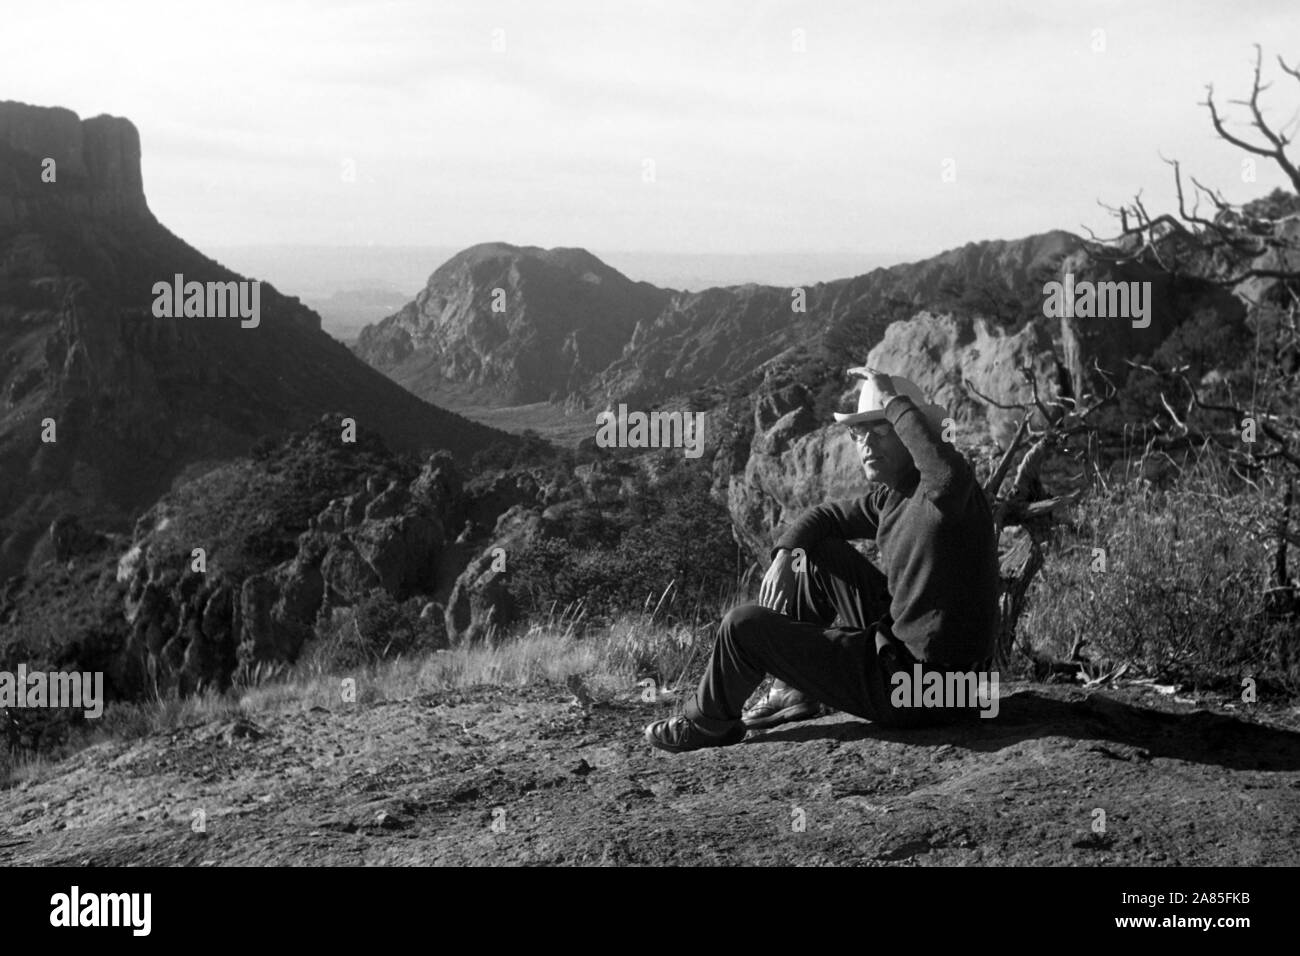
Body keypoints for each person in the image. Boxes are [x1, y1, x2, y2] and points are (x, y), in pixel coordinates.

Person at [644, 367, 1000, 753]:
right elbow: (826, 517)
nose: (865, 443)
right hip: (936, 677)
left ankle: (706, 724)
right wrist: (785, 555)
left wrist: (890, 398)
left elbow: (945, 472)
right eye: (858, 433)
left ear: (913, 434)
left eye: (880, 430)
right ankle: (793, 692)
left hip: (923, 688)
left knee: (742, 628)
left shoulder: (947, 492)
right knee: (818, 553)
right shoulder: (897, 494)